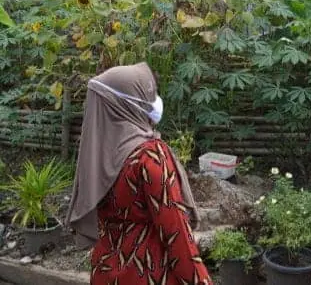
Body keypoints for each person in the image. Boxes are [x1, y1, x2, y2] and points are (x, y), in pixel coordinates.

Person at [65, 62, 212, 285]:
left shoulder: (97, 155)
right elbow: (175, 232)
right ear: (125, 103)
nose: (154, 100)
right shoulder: (149, 156)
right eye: (148, 94)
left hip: (106, 271)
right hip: (149, 272)